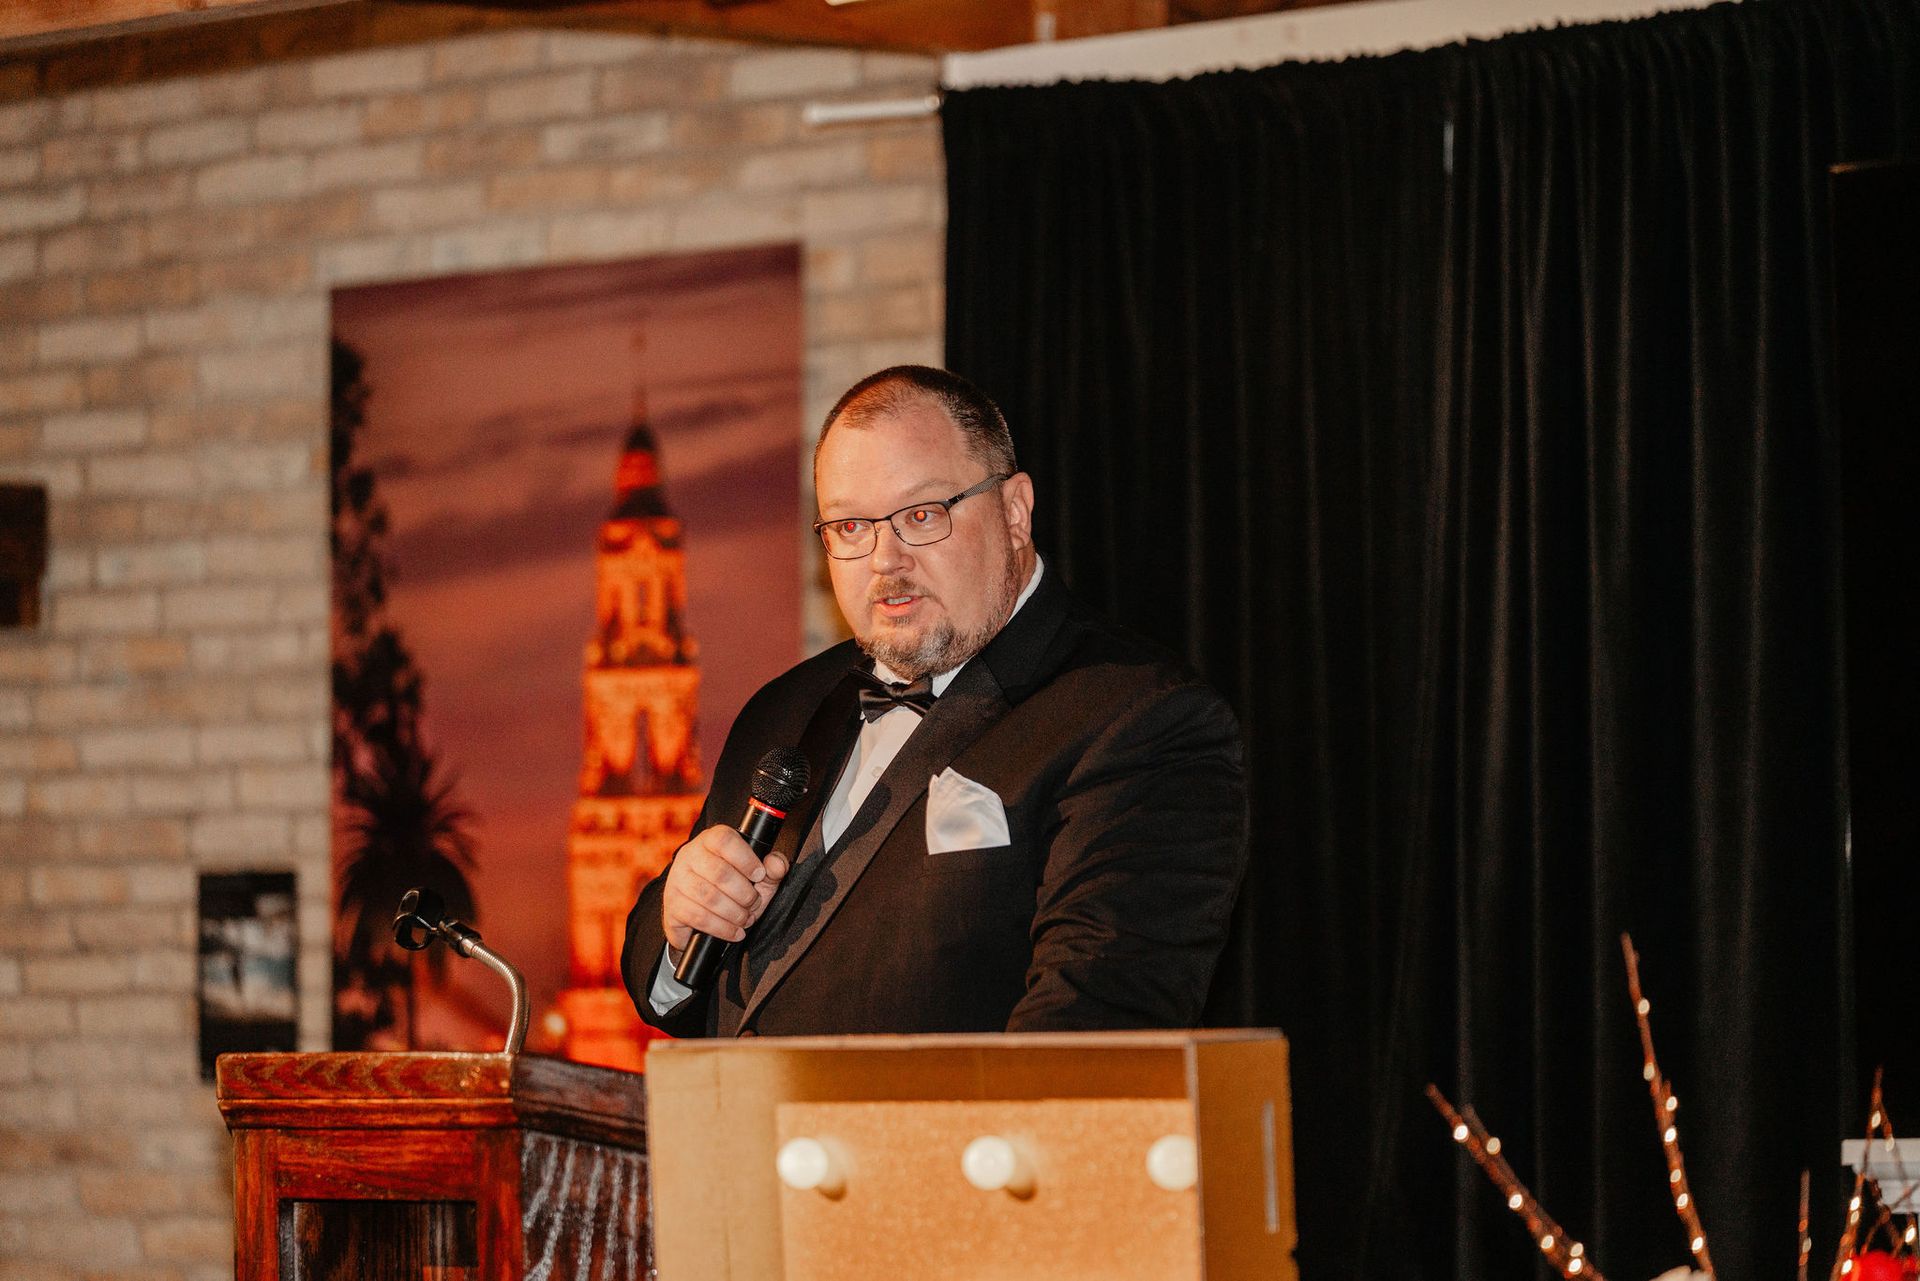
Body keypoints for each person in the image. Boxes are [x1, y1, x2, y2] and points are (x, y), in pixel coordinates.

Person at [621, 365, 1248, 1037]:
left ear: (1014, 511)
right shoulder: (784, 708)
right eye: (851, 526)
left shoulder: (1139, 717)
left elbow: (1087, 1033)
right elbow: (672, 990)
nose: (885, 560)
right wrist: (683, 916)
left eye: (920, 516)